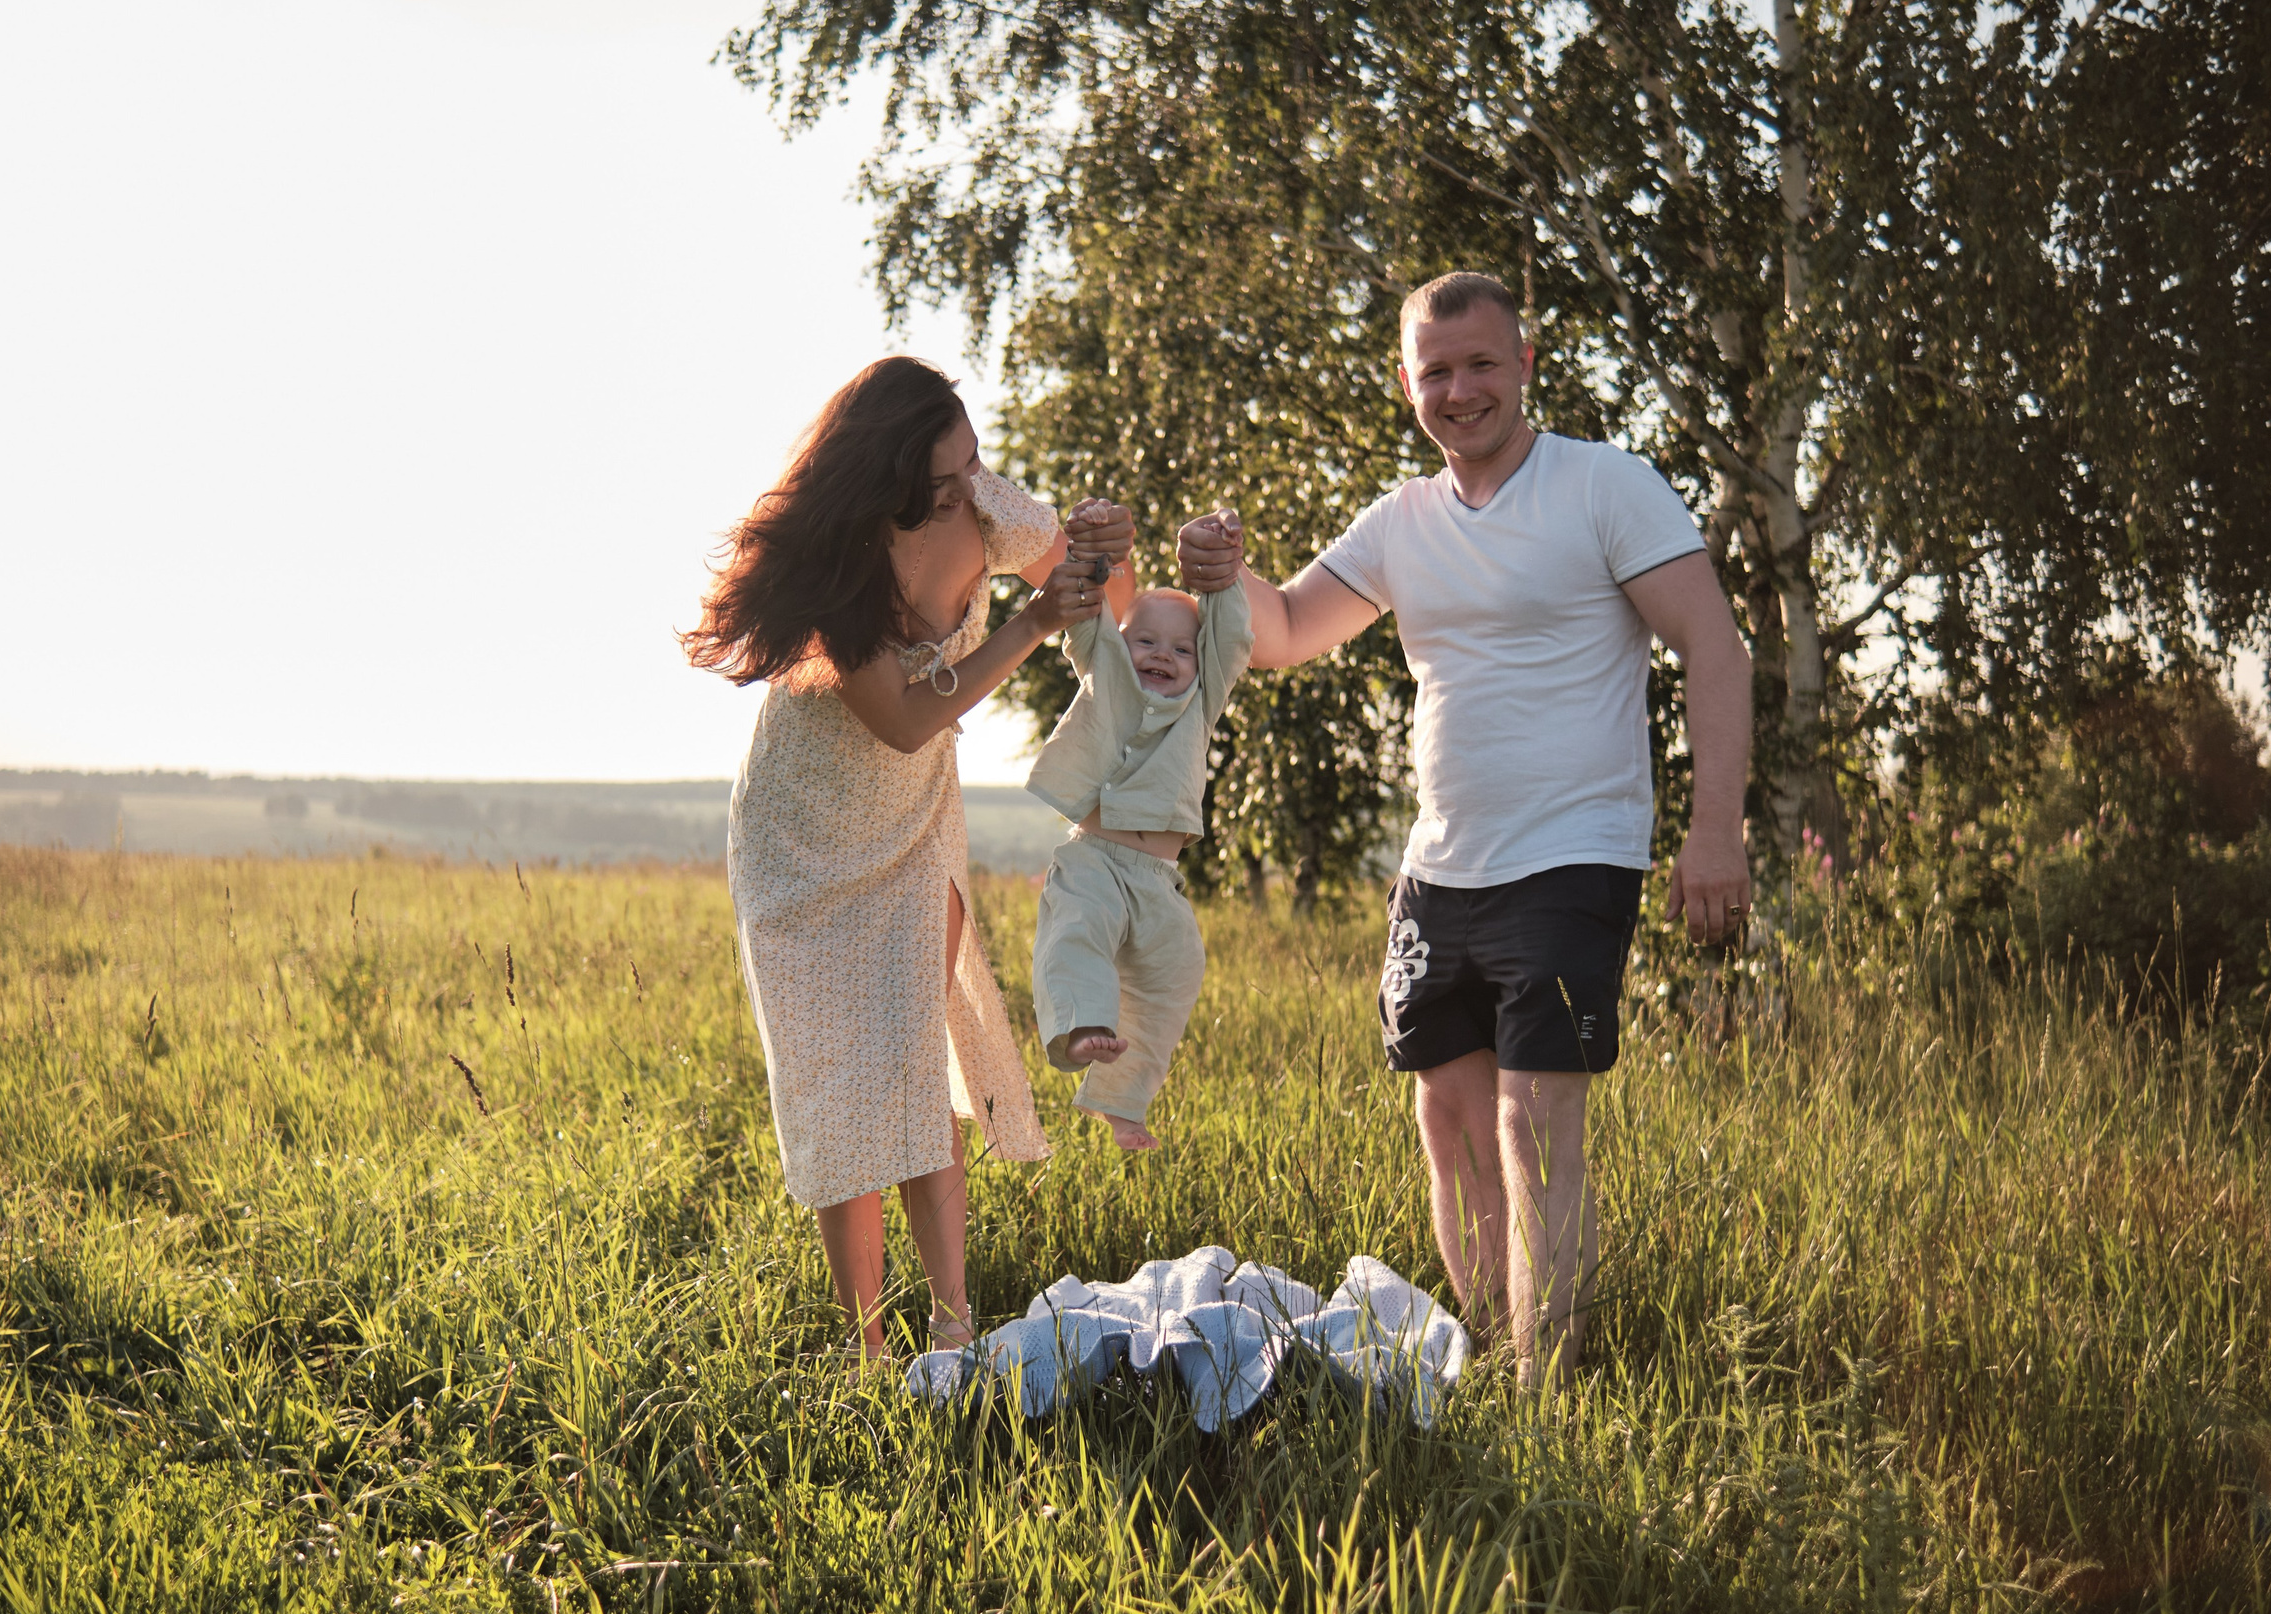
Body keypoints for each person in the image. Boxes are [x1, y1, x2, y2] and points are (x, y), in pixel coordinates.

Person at [1176, 272, 1752, 1386]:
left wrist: (1713, 830)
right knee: (1448, 1121)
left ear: (1524, 363)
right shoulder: (1401, 520)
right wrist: (1219, 577)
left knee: (1534, 1124)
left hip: (1573, 856)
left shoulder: (1604, 486)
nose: (1459, 389)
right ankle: (1487, 1361)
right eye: (1435, 371)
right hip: (1439, 871)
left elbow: (1714, 649)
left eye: (1480, 363)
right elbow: (1289, 628)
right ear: (1407, 385)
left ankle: (1546, 1390)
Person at [685, 355, 1136, 1362]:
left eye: (971, 467)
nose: (964, 491)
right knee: (837, 1087)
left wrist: (1108, 551)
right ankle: (866, 1346)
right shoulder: (835, 563)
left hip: (910, 827)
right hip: (799, 841)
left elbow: (1113, 594)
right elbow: (903, 719)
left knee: (906, 1060)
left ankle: (953, 1322)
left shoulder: (988, 507)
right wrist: (1028, 622)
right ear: (883, 477)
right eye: (939, 482)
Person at [1024, 578, 1253, 1151]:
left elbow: (1229, 635)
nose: (1162, 655)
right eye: (1145, 641)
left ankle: (1123, 1105)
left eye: (1181, 650)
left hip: (1159, 884)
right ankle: (1084, 1028)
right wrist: (1087, 553)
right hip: (1095, 861)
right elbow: (1086, 624)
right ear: (1117, 646)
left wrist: (1222, 574)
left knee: (1172, 981)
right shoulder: (1107, 683)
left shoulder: (1202, 702)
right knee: (1078, 933)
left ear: (1202, 665)